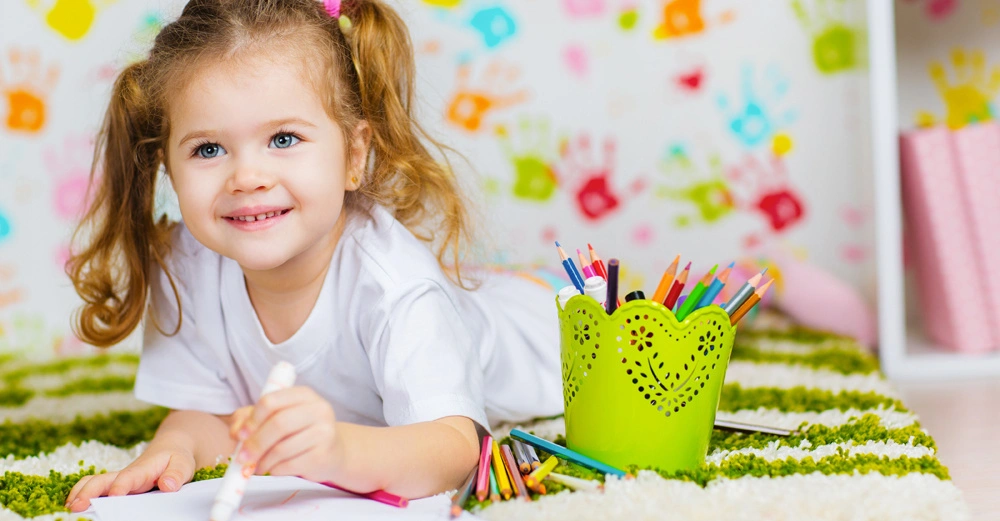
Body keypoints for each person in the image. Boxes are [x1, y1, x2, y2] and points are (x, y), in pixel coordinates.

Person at [63, 0, 562, 512]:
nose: (246, 177)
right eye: (208, 149)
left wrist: (340, 451)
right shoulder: (185, 269)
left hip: (555, 328)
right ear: (167, 165)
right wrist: (173, 451)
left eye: (283, 138)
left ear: (353, 154)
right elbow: (208, 416)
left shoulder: (396, 288)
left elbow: (457, 448)